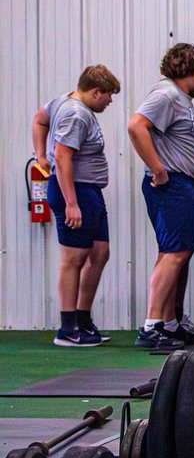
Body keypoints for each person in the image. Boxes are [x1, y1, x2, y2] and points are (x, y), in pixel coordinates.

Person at [32, 65, 120, 346]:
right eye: (108, 95)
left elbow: (39, 120)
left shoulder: (61, 102)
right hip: (75, 190)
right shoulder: (76, 114)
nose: (110, 101)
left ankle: (83, 320)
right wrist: (71, 203)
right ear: (95, 92)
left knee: (100, 252)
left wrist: (38, 155)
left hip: (89, 190)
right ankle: (68, 329)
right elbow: (63, 157)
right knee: (74, 258)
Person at [128, 43, 194, 349]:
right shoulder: (165, 94)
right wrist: (158, 169)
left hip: (187, 184)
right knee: (173, 253)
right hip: (171, 185)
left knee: (179, 252)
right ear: (186, 68)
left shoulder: (181, 99)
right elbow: (136, 126)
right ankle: (152, 326)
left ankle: (170, 322)